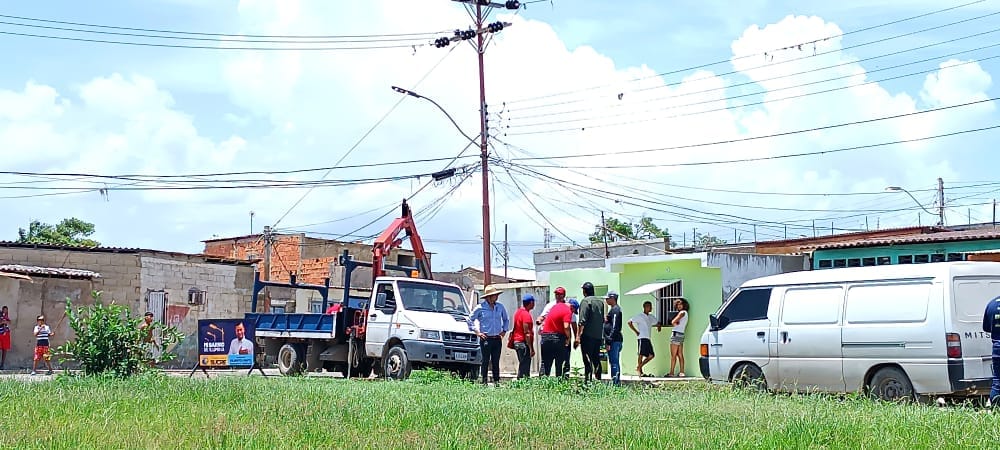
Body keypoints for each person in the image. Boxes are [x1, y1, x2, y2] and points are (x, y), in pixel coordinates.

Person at [467, 285, 509, 385]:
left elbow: (506, 319)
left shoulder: (500, 307)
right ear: (488, 297)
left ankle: (496, 381)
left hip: (497, 338)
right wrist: (477, 332)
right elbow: (470, 320)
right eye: (494, 295)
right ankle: (484, 381)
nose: (496, 297)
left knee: (496, 361)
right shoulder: (480, 308)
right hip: (486, 338)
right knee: (485, 360)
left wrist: (504, 330)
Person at [540, 292, 573, 377]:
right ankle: (560, 383)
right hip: (557, 337)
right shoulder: (567, 310)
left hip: (545, 337)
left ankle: (541, 384)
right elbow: (566, 326)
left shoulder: (553, 306)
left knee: (545, 362)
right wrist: (568, 338)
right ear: (572, 307)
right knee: (559, 363)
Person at [577, 281, 605, 382]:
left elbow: (582, 321)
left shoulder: (585, 301)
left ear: (584, 291)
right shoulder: (600, 302)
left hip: (587, 336)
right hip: (597, 336)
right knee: (596, 359)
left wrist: (578, 337)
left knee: (587, 361)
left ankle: (588, 382)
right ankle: (598, 380)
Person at [628, 301, 661, 377]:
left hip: (648, 338)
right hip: (642, 337)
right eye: (649, 306)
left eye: (651, 306)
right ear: (645, 307)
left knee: (651, 355)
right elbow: (629, 322)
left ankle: (639, 367)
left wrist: (659, 326)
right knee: (641, 354)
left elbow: (656, 322)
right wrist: (636, 331)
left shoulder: (651, 317)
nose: (651, 308)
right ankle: (640, 371)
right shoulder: (639, 316)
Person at [511, 294, 536, 379]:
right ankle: (523, 382)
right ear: (531, 303)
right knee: (525, 366)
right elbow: (527, 333)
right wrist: (531, 348)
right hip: (523, 343)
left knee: (522, 364)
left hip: (517, 342)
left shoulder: (518, 312)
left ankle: (521, 381)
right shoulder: (526, 315)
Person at [603, 291, 624, 386]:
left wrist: (609, 340)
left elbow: (615, 327)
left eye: (608, 298)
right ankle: (615, 381)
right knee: (614, 361)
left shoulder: (615, 310)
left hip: (614, 341)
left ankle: (616, 383)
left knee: (614, 362)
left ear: (612, 298)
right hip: (615, 340)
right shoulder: (613, 310)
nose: (606, 300)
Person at [983, 295, 1000, 407]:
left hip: (998, 350)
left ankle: (995, 410)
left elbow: (986, 328)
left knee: (998, 382)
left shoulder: (992, 304)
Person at [668, 298, 690, 377]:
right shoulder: (686, 313)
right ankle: (682, 372)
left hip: (676, 334)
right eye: (678, 305)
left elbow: (673, 322)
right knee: (680, 354)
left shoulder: (681, 313)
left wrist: (675, 322)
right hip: (681, 334)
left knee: (673, 355)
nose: (679, 306)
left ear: (683, 305)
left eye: (680, 304)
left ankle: (671, 372)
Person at [0, 306, 11, 370]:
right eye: (4, 310)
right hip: (0, 333)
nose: (5, 311)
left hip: (6, 333)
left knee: (5, 349)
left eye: (6, 310)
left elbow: (9, 322)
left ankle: (2, 364)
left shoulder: (6, 316)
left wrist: (6, 321)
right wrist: (2, 322)